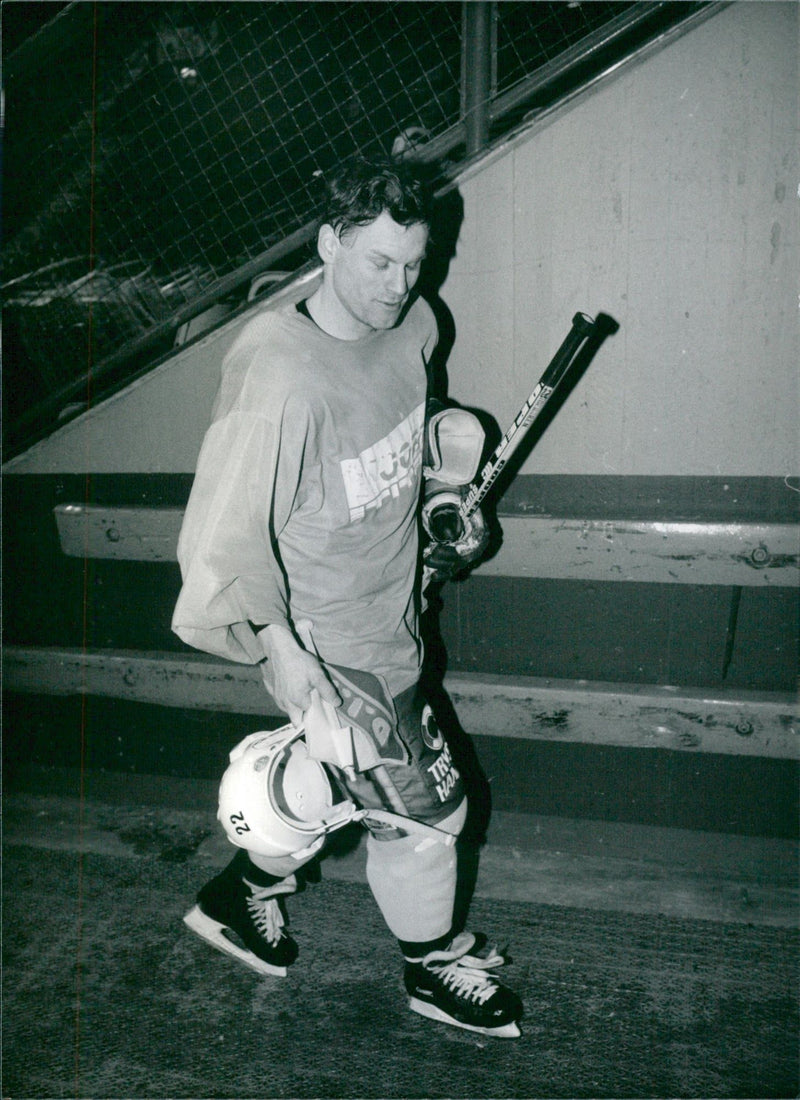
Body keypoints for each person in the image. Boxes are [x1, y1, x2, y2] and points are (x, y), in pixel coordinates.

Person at [171, 154, 523, 1038]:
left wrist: (446, 505)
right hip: (330, 641)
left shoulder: (415, 322)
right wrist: (282, 652)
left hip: (398, 609)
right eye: (378, 263)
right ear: (329, 243)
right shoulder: (278, 379)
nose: (399, 286)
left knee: (320, 796)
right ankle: (432, 970)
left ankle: (238, 893)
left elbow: (410, 437)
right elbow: (222, 539)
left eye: (415, 263)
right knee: (431, 809)